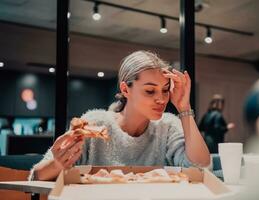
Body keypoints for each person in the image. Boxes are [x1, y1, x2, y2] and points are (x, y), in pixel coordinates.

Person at [29, 50, 210, 181]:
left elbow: (201, 169)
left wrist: (184, 107)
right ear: (125, 89)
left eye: (164, 90)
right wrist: (58, 164)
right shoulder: (94, 123)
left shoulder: (168, 126)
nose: (161, 99)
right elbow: (36, 176)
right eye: (150, 91)